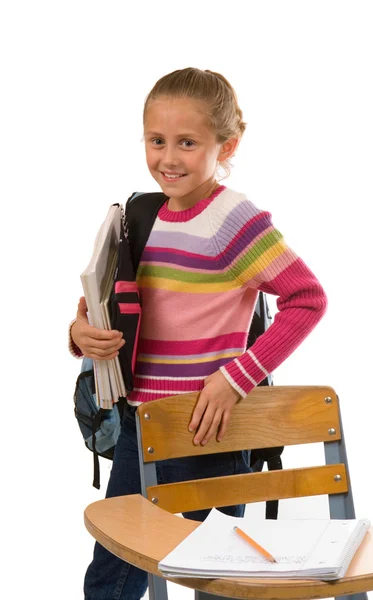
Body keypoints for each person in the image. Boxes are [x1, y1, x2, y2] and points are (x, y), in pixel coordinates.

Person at [69, 67, 327, 600]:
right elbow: (106, 309)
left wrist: (236, 378)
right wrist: (80, 333)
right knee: (111, 576)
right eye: (156, 141)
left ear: (226, 145)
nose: (168, 158)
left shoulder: (235, 220)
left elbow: (306, 298)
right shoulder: (142, 213)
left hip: (208, 429)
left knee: (216, 578)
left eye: (187, 143)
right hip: (140, 425)